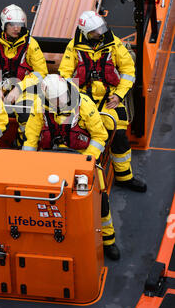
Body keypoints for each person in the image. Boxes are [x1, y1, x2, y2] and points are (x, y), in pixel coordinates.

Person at [22, 74, 120, 260]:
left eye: (61, 97)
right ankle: (49, 237)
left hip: (82, 160)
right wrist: (28, 165)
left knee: (101, 203)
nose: (59, 102)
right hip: (49, 161)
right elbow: (31, 137)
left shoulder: (84, 105)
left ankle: (108, 240)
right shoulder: (39, 106)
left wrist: (85, 162)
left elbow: (99, 137)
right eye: (55, 99)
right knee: (43, 201)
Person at [59, 10, 147, 192]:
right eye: (95, 31)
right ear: (86, 33)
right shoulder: (73, 47)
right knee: (75, 133)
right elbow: (65, 74)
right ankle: (81, 175)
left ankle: (124, 177)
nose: (100, 33)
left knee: (120, 137)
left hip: (110, 99)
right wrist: (76, 98)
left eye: (101, 28)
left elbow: (128, 71)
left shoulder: (113, 43)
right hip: (83, 99)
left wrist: (119, 95)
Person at [0, 4, 48, 146]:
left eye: (19, 25)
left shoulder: (31, 44)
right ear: (4, 25)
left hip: (23, 91)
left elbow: (41, 73)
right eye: (12, 24)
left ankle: (22, 146)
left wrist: (19, 88)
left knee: (28, 116)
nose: (16, 28)